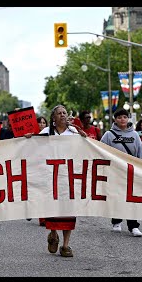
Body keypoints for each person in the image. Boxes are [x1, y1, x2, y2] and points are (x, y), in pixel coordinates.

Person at [24, 105, 86, 257]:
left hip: (68, 177)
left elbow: (85, 148)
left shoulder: (73, 133)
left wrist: (82, 135)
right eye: (59, 113)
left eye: (64, 112)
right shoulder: (46, 132)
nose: (63, 115)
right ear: (53, 118)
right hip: (50, 177)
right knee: (52, 209)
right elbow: (35, 148)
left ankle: (65, 245)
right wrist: (29, 138)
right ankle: (53, 234)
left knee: (68, 211)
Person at [100, 108, 142, 237]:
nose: (122, 120)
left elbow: (140, 152)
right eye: (119, 117)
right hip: (115, 172)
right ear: (115, 119)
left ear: (128, 119)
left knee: (131, 198)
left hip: (131, 172)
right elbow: (100, 150)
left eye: (125, 117)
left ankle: (133, 226)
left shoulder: (135, 135)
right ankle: (116, 222)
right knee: (117, 197)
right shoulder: (109, 135)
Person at [36, 116, 49, 227]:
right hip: (36, 167)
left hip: (48, 168)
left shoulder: (50, 135)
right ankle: (41, 218)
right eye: (40, 123)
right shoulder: (33, 136)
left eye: (44, 123)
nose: (42, 124)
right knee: (40, 193)